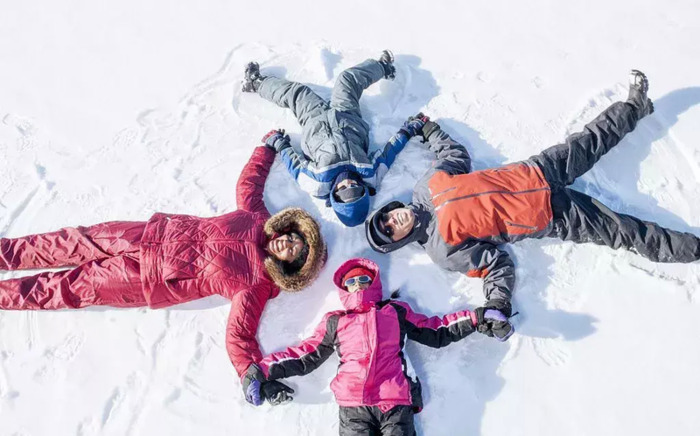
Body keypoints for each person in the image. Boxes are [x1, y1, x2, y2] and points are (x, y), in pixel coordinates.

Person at [365, 70, 700, 332]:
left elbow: (454, 155)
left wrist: (430, 131)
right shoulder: (442, 249)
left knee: (590, 140)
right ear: (399, 240)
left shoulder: (426, 187)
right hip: (550, 214)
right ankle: (692, 248)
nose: (393, 221)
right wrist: (497, 304)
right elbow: (495, 265)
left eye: (387, 218)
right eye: (389, 231)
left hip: (536, 171)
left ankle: (636, 105)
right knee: (622, 231)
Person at [0, 137, 327, 396]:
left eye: (294, 252)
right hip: (144, 235)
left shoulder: (257, 284)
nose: (289, 245)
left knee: (66, 287)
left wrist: (248, 373)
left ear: (291, 265)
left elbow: (239, 333)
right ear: (288, 230)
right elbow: (248, 186)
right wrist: (265, 150)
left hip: (143, 278)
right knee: (68, 242)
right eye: (294, 239)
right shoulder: (257, 217)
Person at [241, 258, 506, 436]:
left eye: (363, 281)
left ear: (374, 283)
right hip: (353, 403)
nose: (357, 285)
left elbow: (435, 330)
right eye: (351, 282)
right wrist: (260, 371)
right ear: (343, 289)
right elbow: (305, 356)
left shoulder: (394, 312)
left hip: (395, 400)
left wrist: (477, 318)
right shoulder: (336, 321)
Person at [242, 51, 424, 227]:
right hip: (347, 117)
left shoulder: (317, 183)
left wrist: (280, 143)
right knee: (347, 79)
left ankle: (255, 83)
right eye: (355, 188)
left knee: (297, 93)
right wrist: (408, 130)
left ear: (334, 197)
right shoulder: (370, 174)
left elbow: (295, 166)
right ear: (364, 190)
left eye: (342, 190)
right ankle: (383, 67)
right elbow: (389, 153)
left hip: (314, 121)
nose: (347, 183)